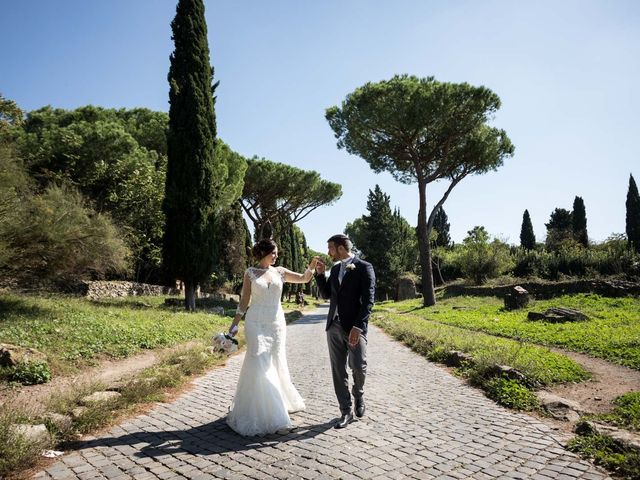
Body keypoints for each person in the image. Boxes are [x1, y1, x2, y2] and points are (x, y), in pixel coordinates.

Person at [226, 238, 318, 436]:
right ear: (263, 253)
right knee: (258, 361)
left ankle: (276, 403)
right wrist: (234, 326)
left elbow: (304, 278)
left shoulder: (281, 272)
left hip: (276, 323)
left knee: (275, 362)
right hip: (255, 323)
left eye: (276, 253)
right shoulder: (250, 273)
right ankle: (272, 416)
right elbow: (244, 301)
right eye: (273, 252)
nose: (276, 256)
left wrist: (310, 268)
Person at [314, 234, 375, 429]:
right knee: (338, 371)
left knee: (358, 365)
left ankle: (359, 394)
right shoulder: (336, 269)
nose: (328, 252)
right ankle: (345, 411)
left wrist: (358, 326)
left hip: (354, 327)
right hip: (334, 326)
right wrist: (320, 274)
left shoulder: (364, 267)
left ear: (341, 248)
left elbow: (368, 300)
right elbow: (326, 295)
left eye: (330, 248)